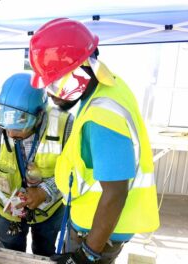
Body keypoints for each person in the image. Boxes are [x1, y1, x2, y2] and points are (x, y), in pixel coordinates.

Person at [29, 18, 160, 263]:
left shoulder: (102, 118)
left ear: (82, 69)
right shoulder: (108, 87)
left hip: (97, 234)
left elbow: (115, 193)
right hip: (94, 226)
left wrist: (87, 253)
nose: (49, 93)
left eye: (55, 82)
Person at [0, 72, 73, 257]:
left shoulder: (64, 124)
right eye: (6, 126)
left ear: (39, 116)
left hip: (48, 211)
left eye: (19, 128)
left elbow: (75, 170)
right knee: (8, 254)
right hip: (6, 212)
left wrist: (46, 191)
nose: (11, 133)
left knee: (44, 253)